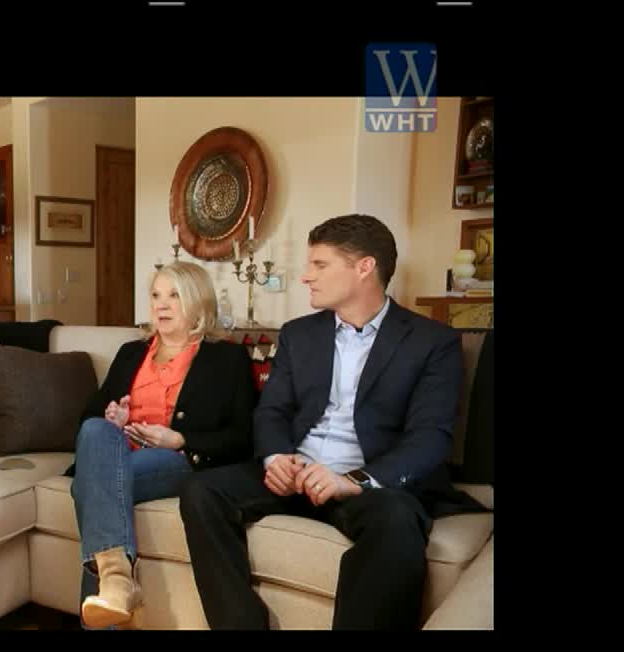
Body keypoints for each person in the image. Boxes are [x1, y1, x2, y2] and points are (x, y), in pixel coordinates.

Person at [178, 214, 489, 630]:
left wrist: (353, 480)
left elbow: (430, 437)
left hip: (365, 484)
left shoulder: (433, 342)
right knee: (201, 490)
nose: (306, 276)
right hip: (295, 474)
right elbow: (272, 411)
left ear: (364, 268)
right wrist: (275, 458)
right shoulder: (297, 334)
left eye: (320, 265)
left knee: (397, 518)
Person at [67, 261, 256, 629]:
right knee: (95, 431)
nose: (161, 305)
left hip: (177, 460)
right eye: (156, 295)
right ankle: (117, 582)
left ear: (198, 303)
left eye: (174, 296)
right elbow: (90, 416)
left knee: (88, 485)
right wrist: (113, 418)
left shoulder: (226, 358)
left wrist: (180, 438)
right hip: (119, 454)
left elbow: (243, 436)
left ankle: (112, 593)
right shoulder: (130, 352)